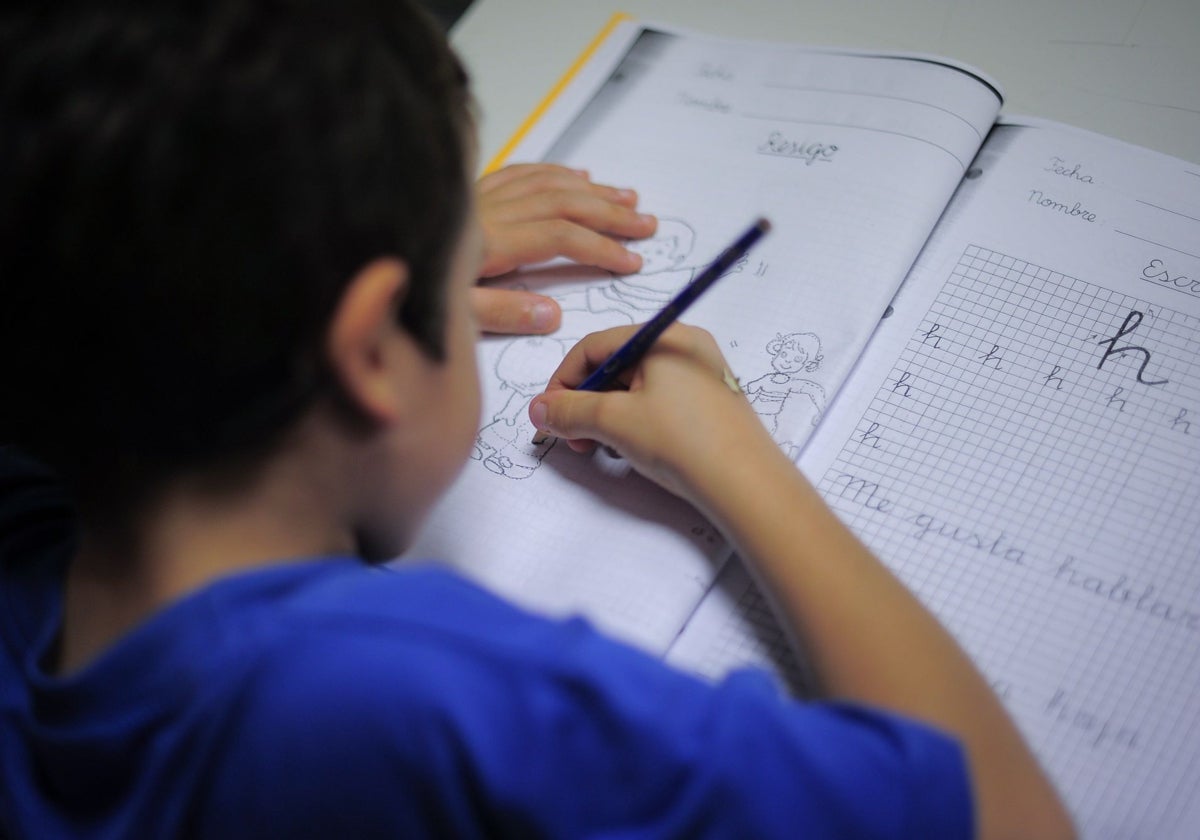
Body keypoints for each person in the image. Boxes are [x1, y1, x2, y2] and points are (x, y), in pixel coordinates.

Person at [0, 1, 1074, 837]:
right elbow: (1007, 822)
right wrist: (746, 463)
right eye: (459, 276)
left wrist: (339, 280)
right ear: (371, 350)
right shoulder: (438, 704)